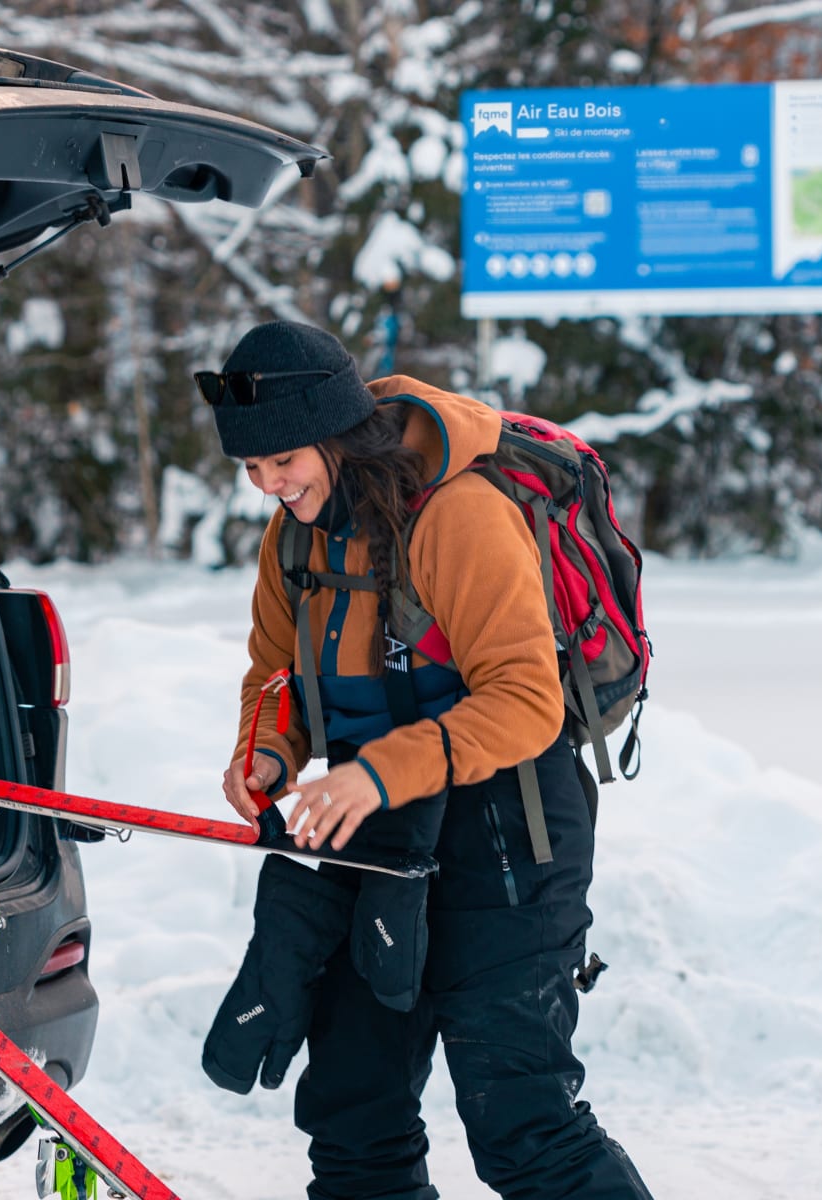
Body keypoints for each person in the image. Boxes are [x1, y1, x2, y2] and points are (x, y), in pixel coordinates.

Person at [199, 319, 652, 1200]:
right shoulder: (294, 539)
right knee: (352, 1109)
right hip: (377, 831)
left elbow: (524, 700)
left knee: (519, 1116)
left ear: (333, 429)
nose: (268, 485)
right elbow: (275, 671)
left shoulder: (458, 516)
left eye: (281, 459)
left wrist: (375, 771)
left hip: (509, 825)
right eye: (250, 470)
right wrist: (266, 751)